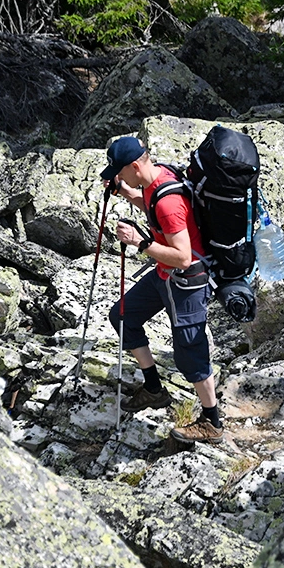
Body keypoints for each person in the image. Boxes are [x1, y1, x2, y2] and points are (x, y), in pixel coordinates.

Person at [100, 136, 222, 444]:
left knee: (191, 353)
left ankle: (212, 422)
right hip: (164, 276)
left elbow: (183, 256)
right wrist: (127, 192)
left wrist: (139, 242)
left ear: (135, 166)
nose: (119, 175)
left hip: (186, 282)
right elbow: (152, 206)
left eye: (121, 172)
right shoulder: (159, 176)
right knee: (123, 316)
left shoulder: (168, 202)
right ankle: (154, 389)